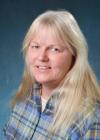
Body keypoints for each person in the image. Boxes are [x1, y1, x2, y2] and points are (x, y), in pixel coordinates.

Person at [4, 10, 100, 140]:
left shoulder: (91, 119)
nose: (42, 57)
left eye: (55, 49)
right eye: (36, 46)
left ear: (75, 56)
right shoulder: (24, 99)